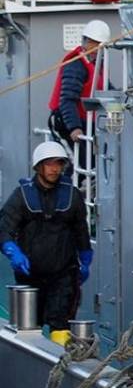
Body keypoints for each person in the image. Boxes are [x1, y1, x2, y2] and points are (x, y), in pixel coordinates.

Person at [0, 141, 91, 337]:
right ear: (39, 167)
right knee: (31, 327)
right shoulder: (22, 196)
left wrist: (85, 259)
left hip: (64, 274)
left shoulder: (72, 196)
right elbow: (5, 228)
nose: (54, 169)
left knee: (61, 326)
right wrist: (12, 251)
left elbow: (81, 230)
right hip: (30, 274)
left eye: (58, 164)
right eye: (49, 164)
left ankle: (61, 362)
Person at [48, 20, 110, 169]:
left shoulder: (95, 64)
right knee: (79, 165)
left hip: (85, 122)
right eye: (92, 43)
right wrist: (74, 127)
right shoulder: (76, 65)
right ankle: (73, 190)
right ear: (85, 42)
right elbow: (67, 100)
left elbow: (106, 88)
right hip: (65, 122)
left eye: (99, 44)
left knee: (89, 163)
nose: (95, 48)